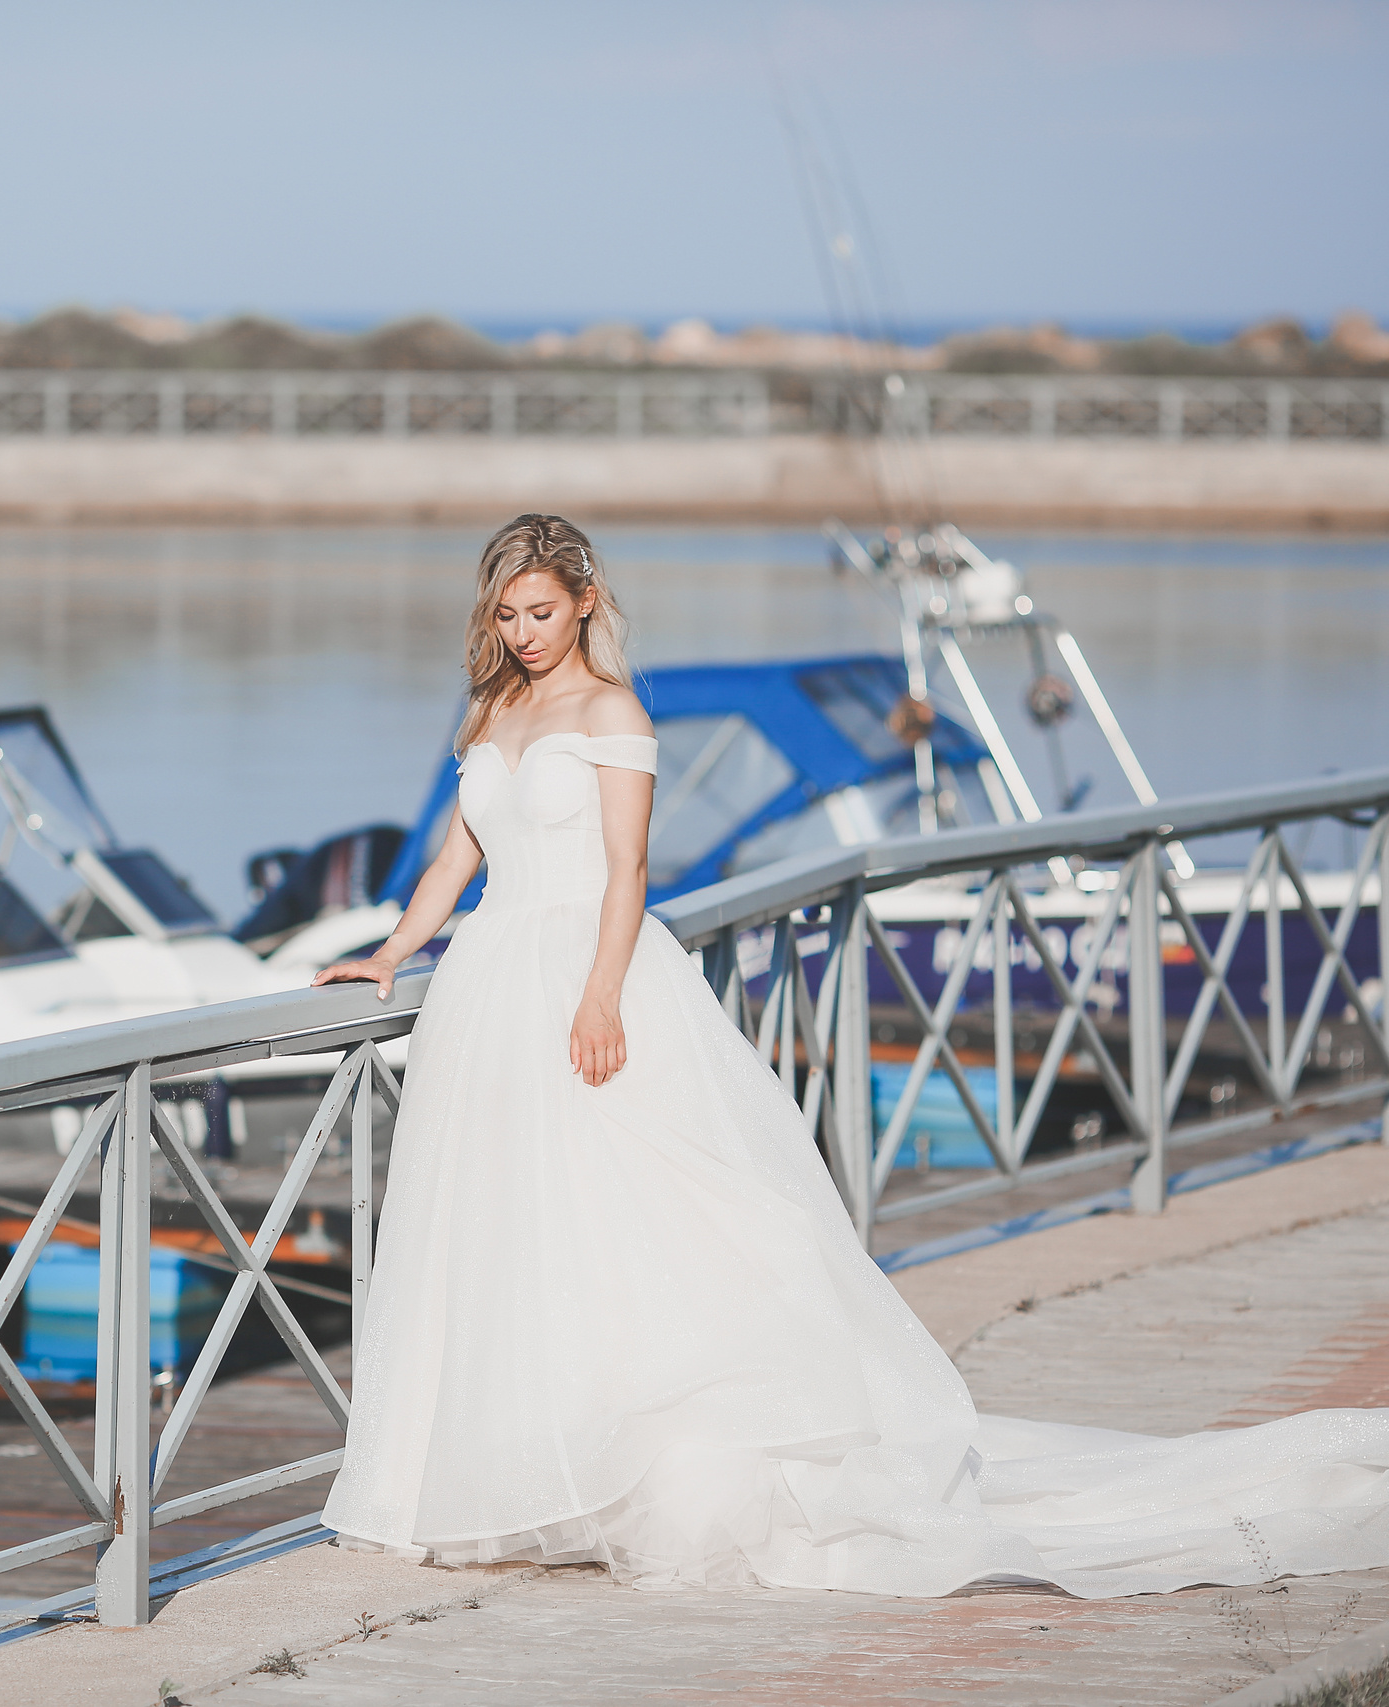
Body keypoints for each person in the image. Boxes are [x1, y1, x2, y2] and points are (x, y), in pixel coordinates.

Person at [309, 513, 1389, 1597]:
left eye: (541, 610)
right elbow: (459, 853)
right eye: (506, 613)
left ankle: (626, 1464)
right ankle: (495, 1472)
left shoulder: (613, 708)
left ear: (585, 600)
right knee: (500, 1222)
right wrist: (393, 950)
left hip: (589, 971)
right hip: (487, 982)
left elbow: (629, 871)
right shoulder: (493, 704)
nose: (525, 631)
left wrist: (599, 999)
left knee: (636, 1213)